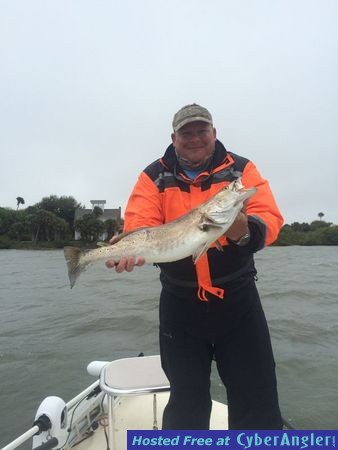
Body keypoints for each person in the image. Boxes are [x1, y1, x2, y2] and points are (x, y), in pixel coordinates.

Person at [106, 104, 284, 430]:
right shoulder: (152, 176)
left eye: (202, 131)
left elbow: (269, 220)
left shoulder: (241, 171)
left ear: (214, 134)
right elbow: (142, 223)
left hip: (238, 299)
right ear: (173, 138)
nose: (195, 138)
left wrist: (240, 227)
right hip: (180, 306)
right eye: (186, 133)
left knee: (257, 398)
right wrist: (129, 248)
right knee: (186, 400)